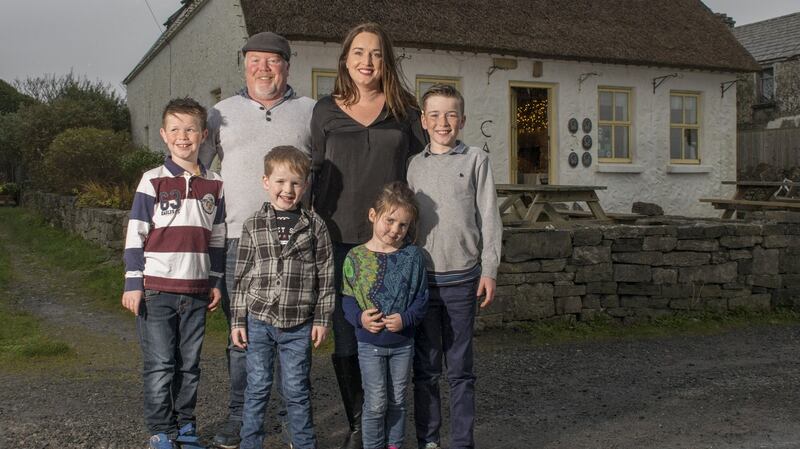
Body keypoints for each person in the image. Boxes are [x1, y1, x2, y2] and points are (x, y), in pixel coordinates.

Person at [310, 22, 427, 449]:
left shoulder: (405, 112)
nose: (367, 61)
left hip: (392, 244)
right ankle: (360, 423)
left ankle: (393, 427)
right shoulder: (325, 109)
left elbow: (425, 168)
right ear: (345, 58)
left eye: (376, 54)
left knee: (392, 330)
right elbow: (314, 173)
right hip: (339, 238)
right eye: (358, 52)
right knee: (348, 332)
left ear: (386, 60)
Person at [198, 31, 316, 448]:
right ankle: (239, 418)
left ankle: (288, 419)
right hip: (237, 242)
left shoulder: (310, 111)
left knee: (292, 333)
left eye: (273, 61)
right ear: (243, 64)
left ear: (287, 65)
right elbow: (197, 167)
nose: (263, 68)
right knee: (242, 335)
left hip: (295, 243)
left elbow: (327, 172)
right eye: (255, 60)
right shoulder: (220, 113)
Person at [122, 97, 225, 449]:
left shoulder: (215, 183)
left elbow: (218, 237)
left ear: (204, 135)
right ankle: (161, 431)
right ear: (164, 135)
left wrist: (215, 282)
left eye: (191, 129)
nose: (184, 137)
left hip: (196, 291)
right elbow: (135, 234)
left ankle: (186, 427)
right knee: (161, 364)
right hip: (157, 290)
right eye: (176, 130)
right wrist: (133, 283)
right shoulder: (152, 181)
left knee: (190, 365)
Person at [406, 84, 503, 449]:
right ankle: (428, 439)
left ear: (461, 120)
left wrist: (489, 269)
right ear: (423, 121)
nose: (442, 122)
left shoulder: (476, 160)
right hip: (423, 281)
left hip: (463, 280)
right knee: (426, 369)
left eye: (450, 115)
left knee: (460, 369)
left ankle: (462, 442)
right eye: (434, 115)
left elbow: (490, 218)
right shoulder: (414, 166)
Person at [230, 146, 334, 449]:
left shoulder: (315, 227)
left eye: (295, 183)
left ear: (305, 186)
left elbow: (326, 276)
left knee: (296, 389)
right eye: (280, 182)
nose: (287, 190)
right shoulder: (252, 225)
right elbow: (242, 276)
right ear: (266, 181)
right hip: (259, 321)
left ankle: (303, 443)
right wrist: (238, 320)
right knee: (258, 386)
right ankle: (251, 443)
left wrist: (322, 319)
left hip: (298, 324)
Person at [341, 182, 429, 449]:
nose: (395, 230)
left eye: (403, 225)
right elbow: (347, 301)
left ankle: (394, 445)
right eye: (389, 221)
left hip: (403, 344)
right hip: (370, 345)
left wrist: (406, 319)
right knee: (376, 401)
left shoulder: (413, 257)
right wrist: (361, 319)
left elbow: (422, 299)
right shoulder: (355, 258)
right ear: (373, 215)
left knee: (398, 400)